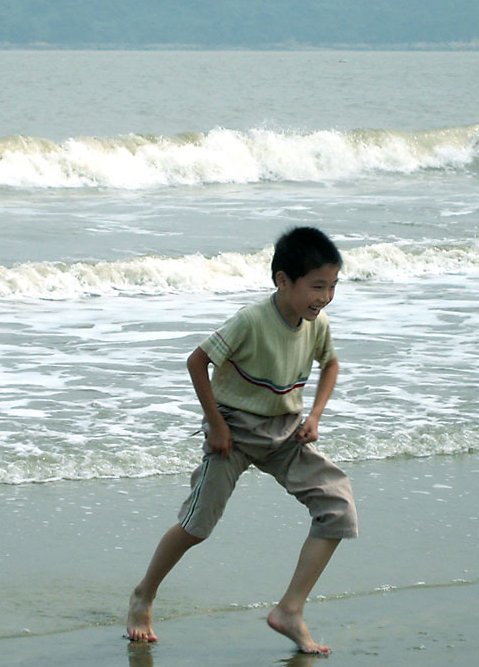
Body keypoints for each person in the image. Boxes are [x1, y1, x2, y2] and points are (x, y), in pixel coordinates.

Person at [126, 226, 358, 654]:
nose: (324, 297)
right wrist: (216, 424)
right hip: (234, 432)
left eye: (332, 287)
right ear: (283, 280)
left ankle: (289, 610)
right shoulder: (252, 320)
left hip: (286, 431)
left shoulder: (317, 323)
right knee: (197, 526)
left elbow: (330, 365)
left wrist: (316, 415)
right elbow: (197, 361)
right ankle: (143, 595)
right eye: (317, 286)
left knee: (337, 508)